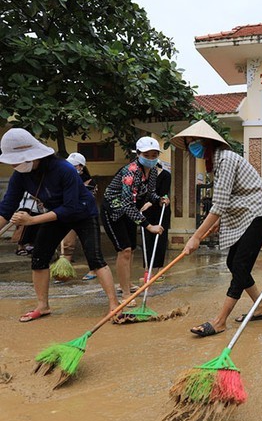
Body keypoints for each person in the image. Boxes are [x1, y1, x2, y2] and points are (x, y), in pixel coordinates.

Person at [0, 128, 120, 321]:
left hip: (82, 213)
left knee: (95, 258)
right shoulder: (20, 175)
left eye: (17, 160)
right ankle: (43, 305)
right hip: (56, 215)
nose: (14, 164)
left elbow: (71, 208)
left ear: (32, 155)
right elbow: (6, 209)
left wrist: (31, 221)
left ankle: (114, 304)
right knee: (39, 257)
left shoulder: (64, 169)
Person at [171, 120, 262, 337]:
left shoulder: (226, 159)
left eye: (195, 142)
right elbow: (227, 199)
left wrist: (196, 237)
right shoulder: (215, 163)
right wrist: (217, 221)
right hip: (247, 211)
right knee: (234, 263)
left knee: (239, 264)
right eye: (189, 143)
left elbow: (219, 204)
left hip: (258, 213)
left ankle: (220, 321)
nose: (192, 147)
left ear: (207, 143)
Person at [101, 137, 167, 305]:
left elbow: (149, 192)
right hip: (114, 211)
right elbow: (127, 203)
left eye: (154, 155)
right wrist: (148, 225)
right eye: (147, 154)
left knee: (130, 250)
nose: (151, 158)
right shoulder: (131, 172)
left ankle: (128, 284)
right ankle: (124, 295)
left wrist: (159, 199)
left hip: (130, 212)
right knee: (124, 250)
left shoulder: (152, 171)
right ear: (138, 154)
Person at [61, 152, 99, 281]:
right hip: (69, 216)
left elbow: (87, 199)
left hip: (85, 217)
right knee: (67, 244)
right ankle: (63, 272)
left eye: (74, 166)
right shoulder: (65, 179)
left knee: (89, 246)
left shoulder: (90, 182)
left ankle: (93, 269)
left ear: (81, 167)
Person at [140, 162, 171, 280]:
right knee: (147, 240)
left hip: (160, 210)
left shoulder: (166, 175)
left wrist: (152, 202)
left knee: (160, 239)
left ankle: (159, 270)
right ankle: (147, 269)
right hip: (146, 211)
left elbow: (163, 193)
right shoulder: (143, 176)